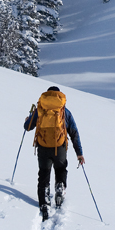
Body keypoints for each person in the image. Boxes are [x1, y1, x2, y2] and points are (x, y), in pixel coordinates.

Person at [24, 85, 84, 221]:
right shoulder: (64, 111)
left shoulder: (40, 109)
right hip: (60, 147)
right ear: (60, 97)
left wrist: (27, 120)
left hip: (43, 147)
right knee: (61, 168)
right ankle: (60, 186)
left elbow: (27, 127)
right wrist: (79, 153)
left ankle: (44, 201)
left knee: (44, 174)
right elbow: (74, 133)